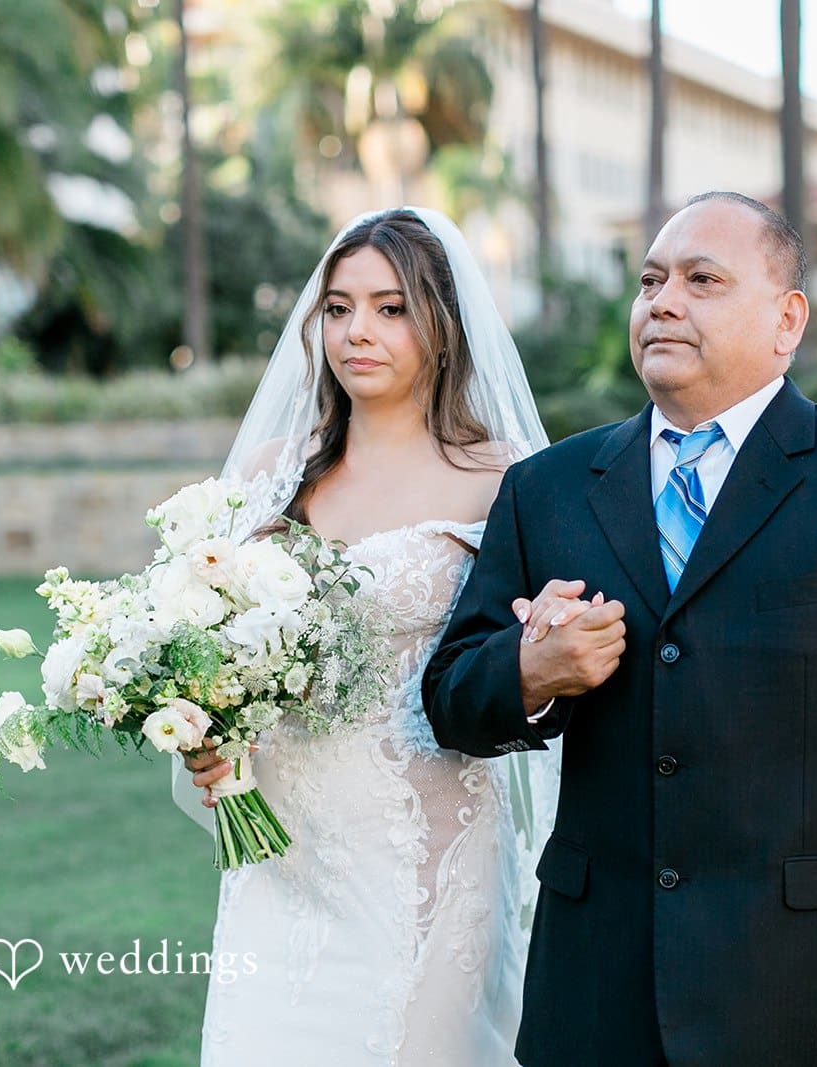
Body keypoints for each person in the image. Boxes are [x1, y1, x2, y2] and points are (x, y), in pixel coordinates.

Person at [422, 191, 817, 1067]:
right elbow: (448, 700)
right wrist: (528, 670)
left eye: (703, 280)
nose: (663, 300)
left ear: (788, 321)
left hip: (804, 987)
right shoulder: (546, 487)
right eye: (651, 280)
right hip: (594, 991)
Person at [172, 207, 556, 1066]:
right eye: (339, 308)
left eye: (391, 308)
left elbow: (523, 663)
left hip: (426, 856)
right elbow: (204, 637)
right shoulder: (268, 468)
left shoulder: (506, 478)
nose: (358, 332)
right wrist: (207, 731)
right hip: (279, 857)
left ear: (445, 324)